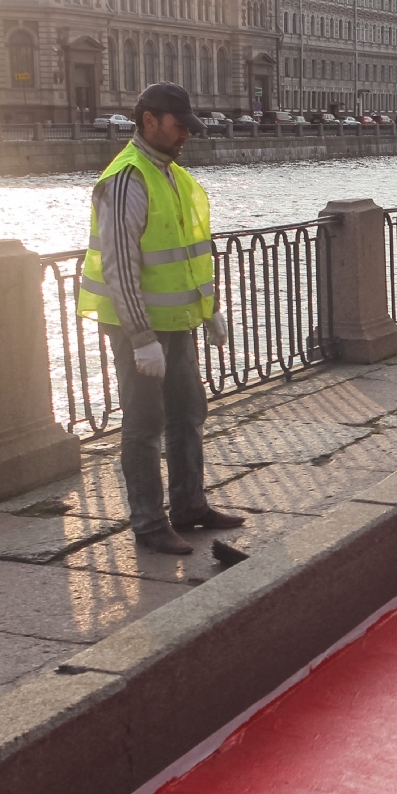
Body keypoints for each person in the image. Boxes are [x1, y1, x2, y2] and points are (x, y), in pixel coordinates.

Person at [77, 82, 243, 554]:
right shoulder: (127, 176)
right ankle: (149, 525)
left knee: (189, 412)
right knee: (145, 423)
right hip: (139, 326)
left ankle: (189, 507)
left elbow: (189, 257)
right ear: (149, 121)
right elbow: (119, 265)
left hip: (176, 322)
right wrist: (140, 336)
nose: (185, 135)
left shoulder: (171, 173)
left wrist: (209, 312)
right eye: (177, 125)